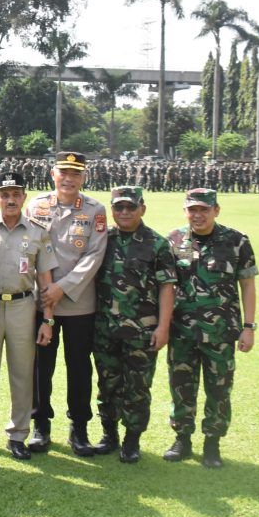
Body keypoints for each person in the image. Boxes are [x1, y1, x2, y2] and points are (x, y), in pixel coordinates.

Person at [164, 188, 258, 468]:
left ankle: (212, 443)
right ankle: (182, 438)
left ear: (216, 210)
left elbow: (248, 285)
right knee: (181, 387)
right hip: (182, 331)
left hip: (221, 332)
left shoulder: (236, 241)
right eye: (192, 209)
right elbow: (166, 287)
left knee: (219, 389)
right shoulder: (174, 240)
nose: (198, 215)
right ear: (185, 211)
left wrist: (249, 326)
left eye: (204, 209)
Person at [0, 171, 57, 461]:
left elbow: (45, 280)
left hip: (22, 306)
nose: (10, 199)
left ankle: (18, 435)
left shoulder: (37, 231)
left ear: (24, 198)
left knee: (22, 374)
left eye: (15, 194)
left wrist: (48, 319)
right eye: (4, 194)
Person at [25, 151, 108, 455]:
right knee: (39, 367)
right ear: (53, 174)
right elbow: (30, 248)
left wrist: (63, 287)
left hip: (78, 304)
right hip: (40, 300)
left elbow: (94, 255)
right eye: (64, 173)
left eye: (76, 174)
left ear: (84, 177)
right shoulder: (36, 205)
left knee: (79, 367)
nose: (69, 179)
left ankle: (79, 429)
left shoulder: (95, 210)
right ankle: (40, 426)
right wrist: (48, 290)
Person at [91, 186, 177, 464]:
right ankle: (109, 435)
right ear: (112, 209)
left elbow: (167, 287)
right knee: (107, 385)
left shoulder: (158, 244)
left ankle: (132, 440)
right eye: (119, 207)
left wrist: (164, 327)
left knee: (137, 388)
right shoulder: (103, 239)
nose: (124, 212)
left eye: (130, 207)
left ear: (142, 208)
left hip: (141, 332)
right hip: (105, 329)